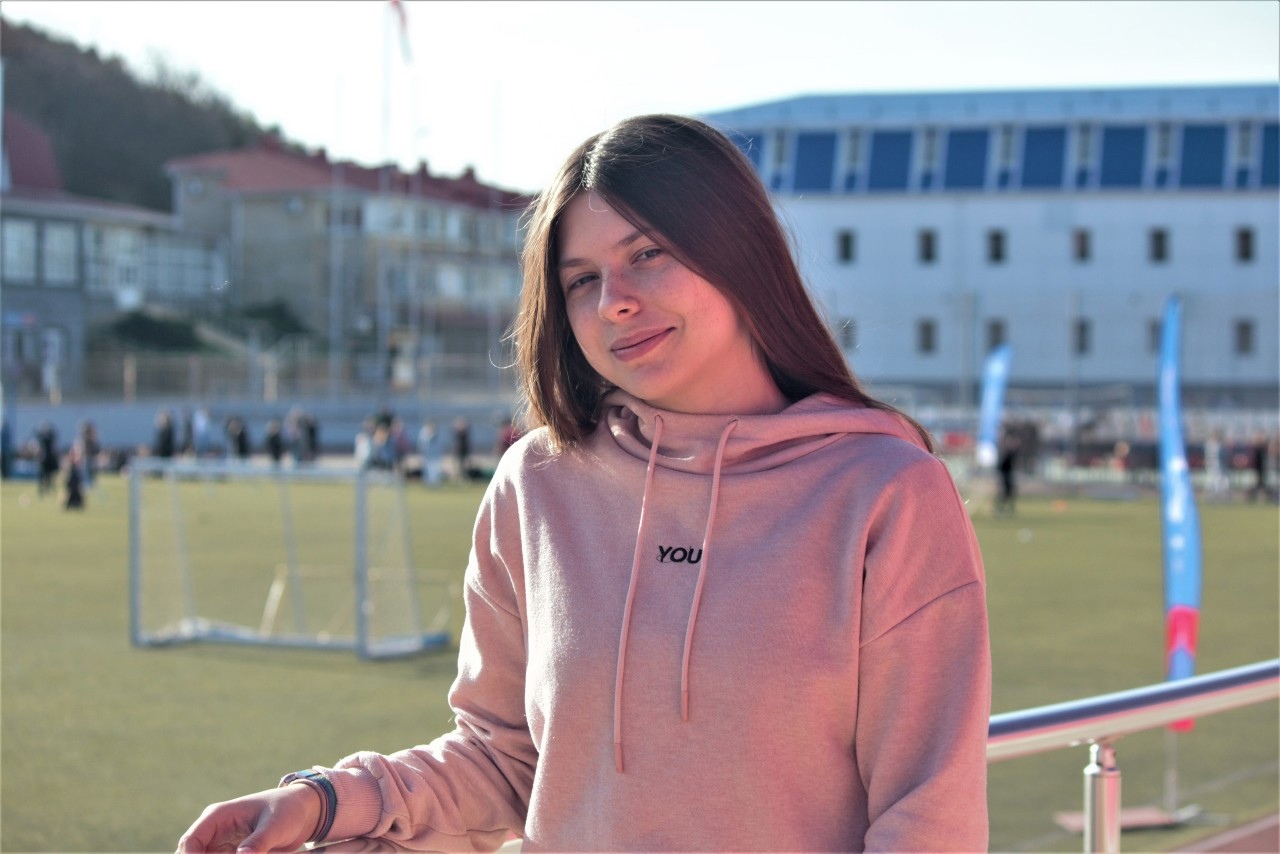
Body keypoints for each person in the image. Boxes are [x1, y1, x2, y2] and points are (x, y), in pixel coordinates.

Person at [177, 114, 990, 853]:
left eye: (646, 255)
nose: (614, 303)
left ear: (739, 250)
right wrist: (327, 801)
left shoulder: (887, 495)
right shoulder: (535, 484)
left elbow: (929, 820)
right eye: (581, 280)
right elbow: (504, 761)